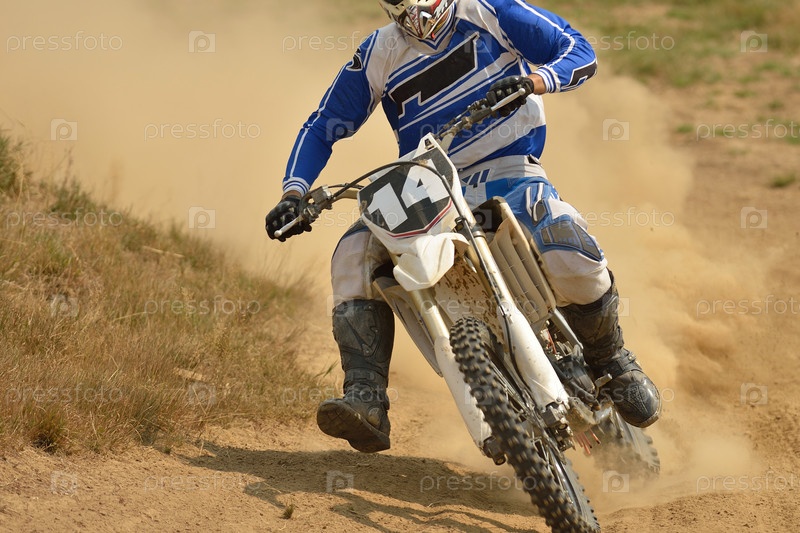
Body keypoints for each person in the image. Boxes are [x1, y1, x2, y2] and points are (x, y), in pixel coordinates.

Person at [266, 0, 661, 455]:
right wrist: (294, 192)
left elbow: (577, 50)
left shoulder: (489, 11)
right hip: (426, 183)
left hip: (509, 168)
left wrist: (534, 81)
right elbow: (323, 126)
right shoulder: (379, 52)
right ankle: (366, 397)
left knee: (566, 246)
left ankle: (611, 359)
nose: (416, 15)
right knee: (352, 254)